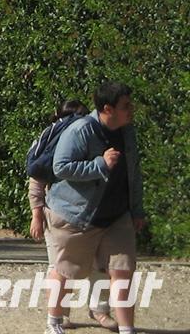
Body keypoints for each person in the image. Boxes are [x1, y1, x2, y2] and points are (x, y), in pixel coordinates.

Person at [43, 82, 147, 334]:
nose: (131, 109)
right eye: (125, 106)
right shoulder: (81, 130)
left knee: (123, 271)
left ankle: (127, 329)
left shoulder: (128, 131)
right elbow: (61, 167)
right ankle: (54, 322)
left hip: (117, 216)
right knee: (65, 270)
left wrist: (136, 209)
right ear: (108, 109)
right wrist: (100, 164)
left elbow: (133, 173)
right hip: (76, 215)